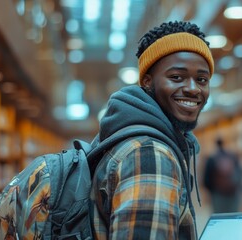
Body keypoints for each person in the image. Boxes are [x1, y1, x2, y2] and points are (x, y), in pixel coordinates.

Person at [90, 21, 214, 239]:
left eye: (202, 79)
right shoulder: (149, 155)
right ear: (147, 81)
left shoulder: (123, 135)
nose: (193, 89)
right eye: (177, 77)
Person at [203, 137, 242, 213]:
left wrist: (211, 191)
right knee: (233, 215)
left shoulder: (212, 158)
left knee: (219, 216)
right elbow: (240, 174)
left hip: (218, 194)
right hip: (233, 194)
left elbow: (206, 179)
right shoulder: (232, 156)